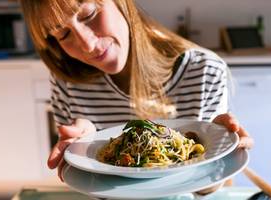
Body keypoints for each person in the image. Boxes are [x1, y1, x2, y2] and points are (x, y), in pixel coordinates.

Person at [19, 0, 253, 189]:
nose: (87, 45)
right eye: (63, 35)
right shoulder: (66, 80)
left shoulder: (204, 71)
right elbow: (89, 187)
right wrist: (84, 150)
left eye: (89, 14)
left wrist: (221, 153)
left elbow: (206, 189)